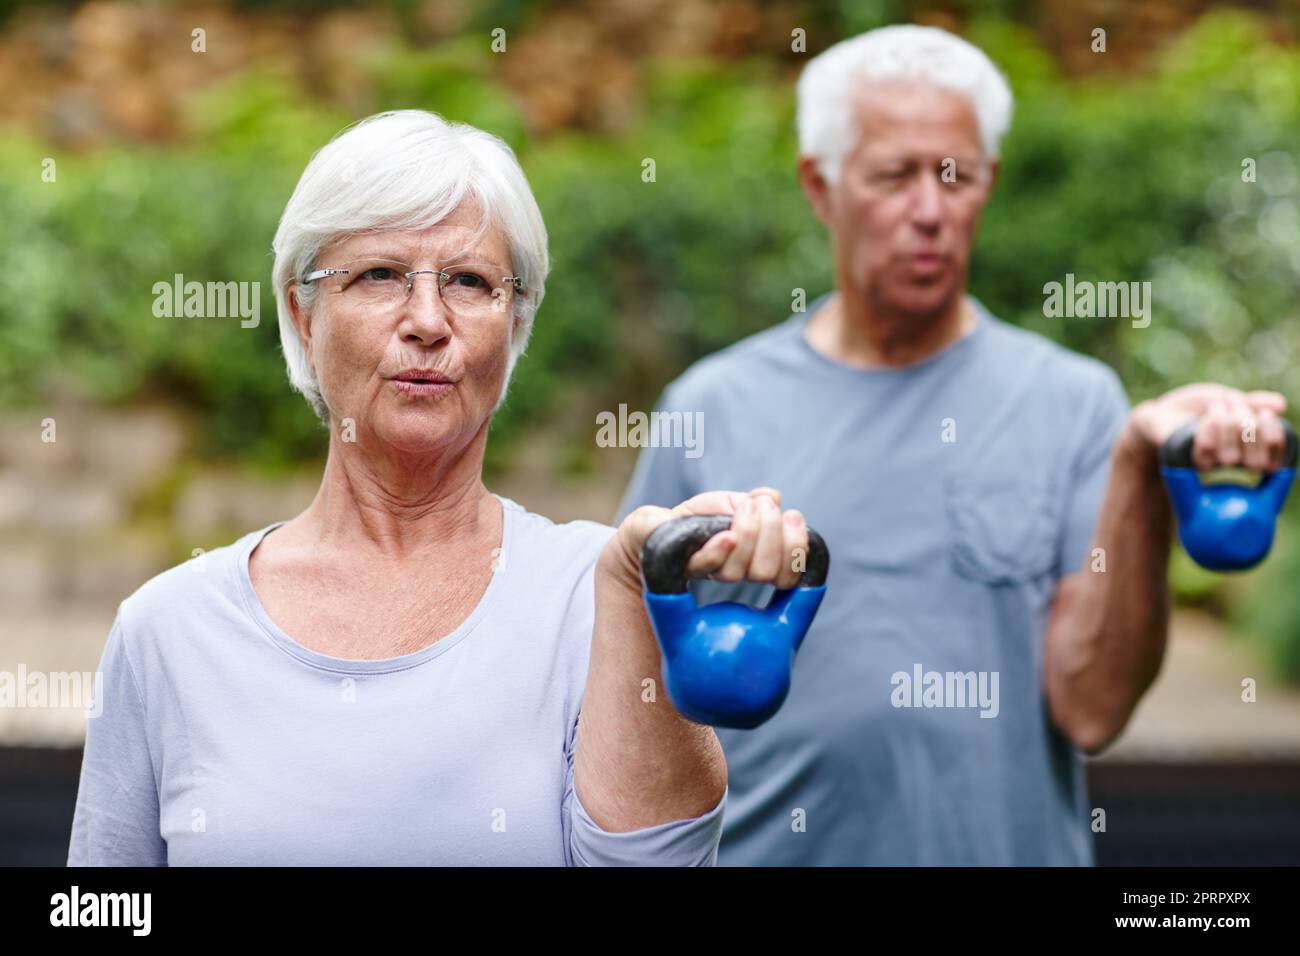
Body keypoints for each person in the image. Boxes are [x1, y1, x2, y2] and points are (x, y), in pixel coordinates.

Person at [617, 24, 1291, 865]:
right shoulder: (709, 407)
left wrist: (1142, 473)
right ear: (820, 187)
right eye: (894, 175)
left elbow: (1092, 709)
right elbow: (627, 699)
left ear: (989, 184)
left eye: (956, 176)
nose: (929, 210)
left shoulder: (1077, 406)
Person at [67, 110, 814, 866]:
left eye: (468, 281)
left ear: (515, 321)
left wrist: (637, 588)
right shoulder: (169, 631)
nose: (427, 320)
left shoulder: (594, 597)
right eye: (378, 275)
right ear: (302, 311)